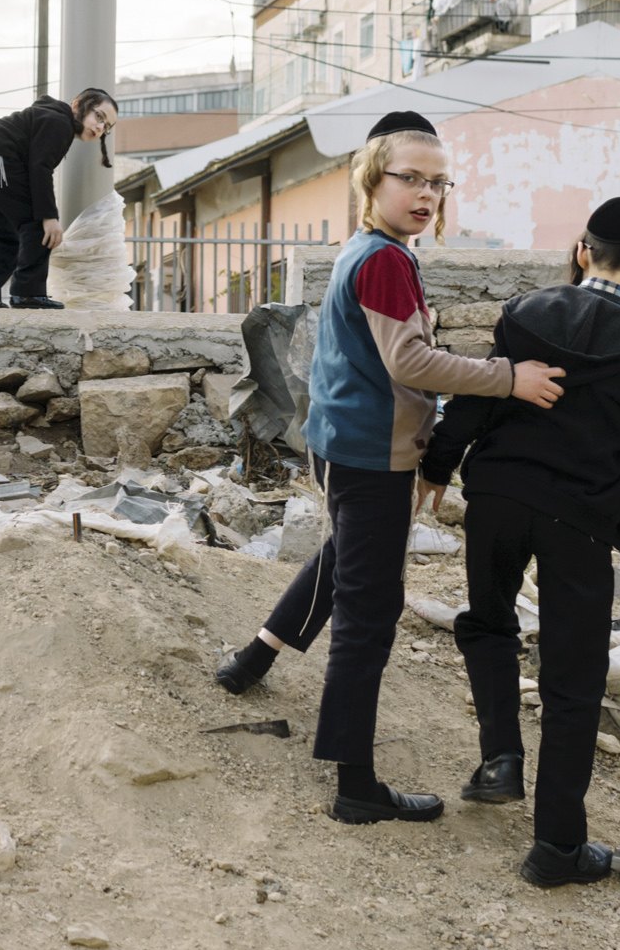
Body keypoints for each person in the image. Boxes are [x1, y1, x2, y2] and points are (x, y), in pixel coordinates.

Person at [213, 110, 567, 827]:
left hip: (345, 445)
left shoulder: (373, 249)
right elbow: (409, 361)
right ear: (373, 180)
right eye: (412, 178)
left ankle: (252, 659)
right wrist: (509, 377)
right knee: (368, 618)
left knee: (344, 559)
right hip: (370, 456)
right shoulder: (383, 260)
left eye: (439, 182)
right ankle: (356, 783)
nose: (427, 193)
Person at [416, 195, 620, 887]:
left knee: (487, 623)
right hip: (578, 523)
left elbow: (480, 395)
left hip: (497, 498)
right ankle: (555, 846)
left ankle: (501, 757)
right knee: (572, 679)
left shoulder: (527, 313)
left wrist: (438, 464)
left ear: (583, 252)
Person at [0, 89, 117, 309]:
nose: (100, 127)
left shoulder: (49, 117)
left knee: (7, 234)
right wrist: (49, 217)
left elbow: (36, 166)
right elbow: (40, 168)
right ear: (78, 105)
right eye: (99, 116)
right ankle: (28, 293)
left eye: (106, 126)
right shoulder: (60, 122)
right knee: (39, 226)